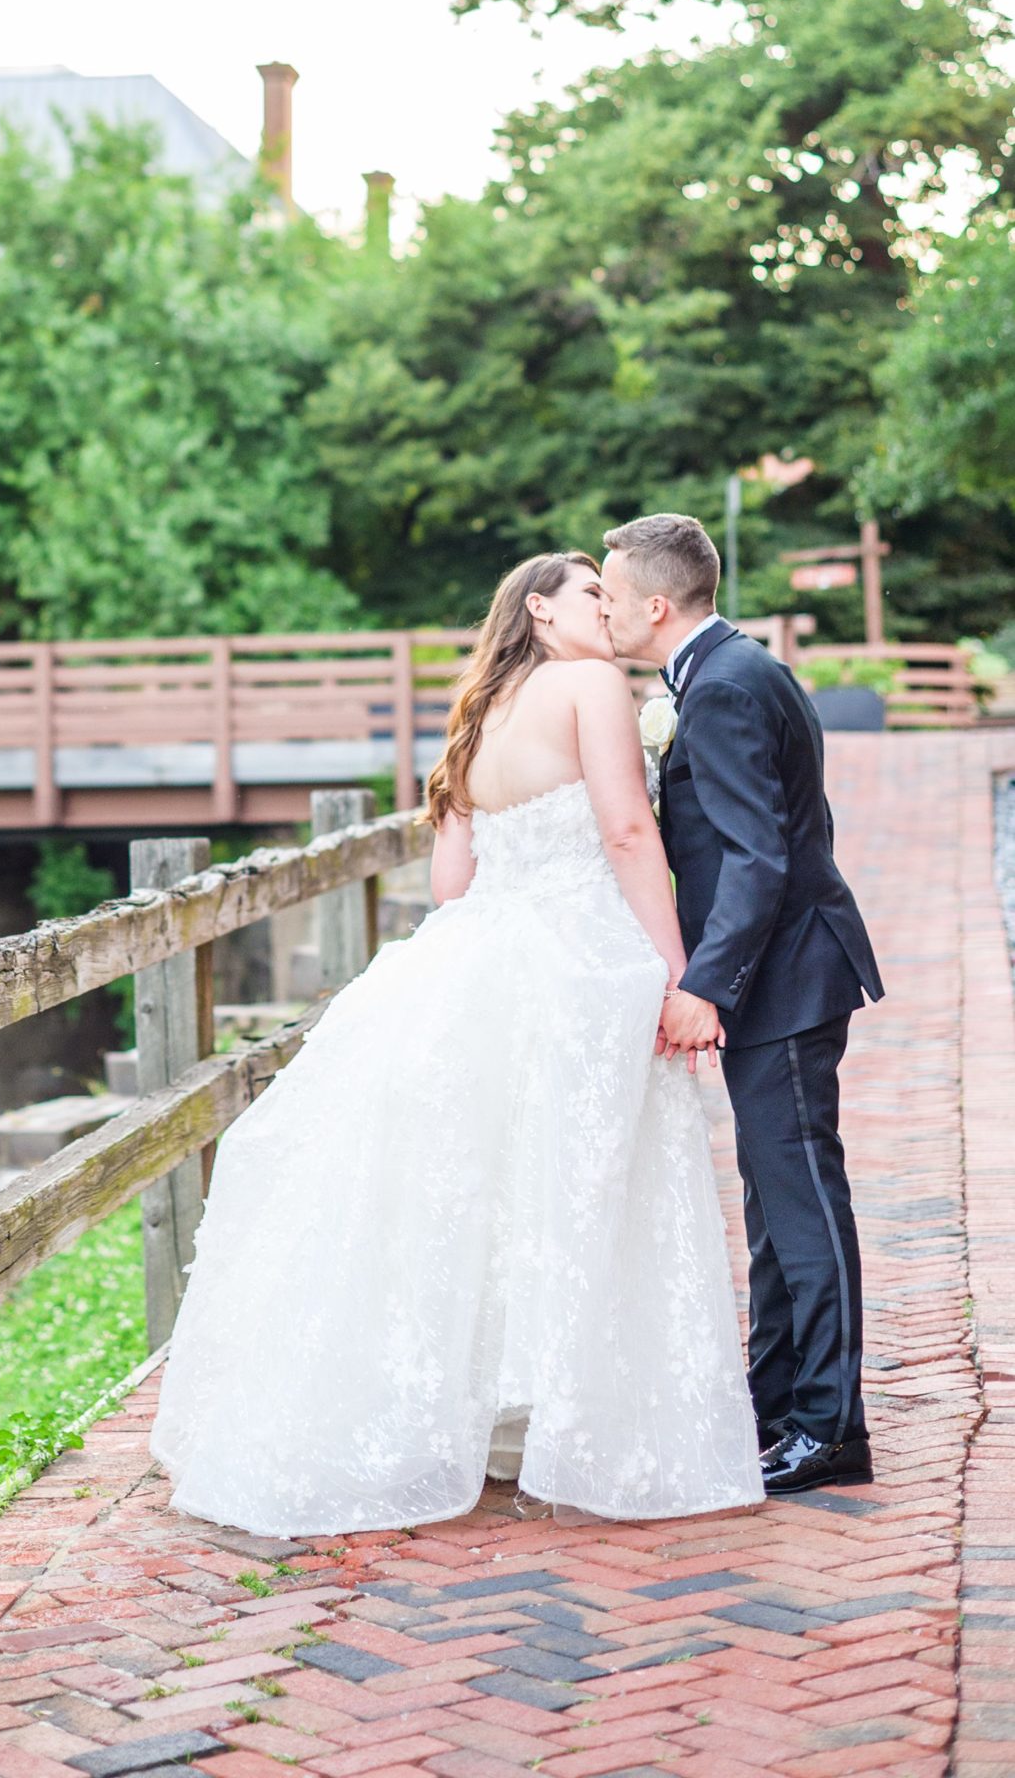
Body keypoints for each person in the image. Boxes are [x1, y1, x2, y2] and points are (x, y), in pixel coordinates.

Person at [150, 551, 763, 1534]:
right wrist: (676, 967)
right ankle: (573, 1416)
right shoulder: (588, 683)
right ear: (539, 609)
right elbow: (624, 832)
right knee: (579, 1178)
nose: (605, 611)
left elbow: (449, 884)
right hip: (578, 954)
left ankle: (472, 1414)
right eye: (589, 595)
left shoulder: (479, 704)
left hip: (474, 950)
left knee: (475, 1185)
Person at [600, 515, 882, 1496]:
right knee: (773, 1208)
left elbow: (758, 856)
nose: (598, 606)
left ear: (653, 603)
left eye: (607, 589)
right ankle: (775, 1409)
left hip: (786, 979)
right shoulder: (722, 672)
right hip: (782, 974)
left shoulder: (717, 688)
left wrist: (701, 985)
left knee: (801, 1205)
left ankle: (828, 1427)